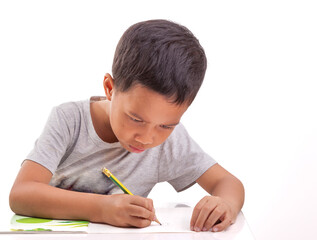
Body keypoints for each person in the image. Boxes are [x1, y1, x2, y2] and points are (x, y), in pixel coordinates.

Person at [9, 19, 244, 232]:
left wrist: (225, 204)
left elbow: (228, 183)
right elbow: (21, 194)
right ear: (110, 88)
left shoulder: (170, 143)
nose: (147, 138)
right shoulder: (70, 120)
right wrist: (102, 208)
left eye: (166, 126)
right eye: (136, 119)